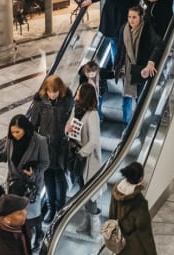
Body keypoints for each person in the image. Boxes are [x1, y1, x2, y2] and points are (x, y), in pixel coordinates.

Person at [0, 114, 48, 250]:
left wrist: (34, 172)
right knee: (18, 217)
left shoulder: (39, 141)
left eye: (17, 132)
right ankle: (24, 241)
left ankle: (38, 236)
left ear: (25, 130)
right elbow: (4, 155)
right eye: (12, 132)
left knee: (32, 216)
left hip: (31, 187)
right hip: (14, 186)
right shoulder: (11, 140)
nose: (14, 135)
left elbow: (45, 163)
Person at [25, 75, 74, 222]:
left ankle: (60, 210)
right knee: (47, 178)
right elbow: (34, 126)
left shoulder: (67, 102)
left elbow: (72, 120)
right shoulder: (39, 103)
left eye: (55, 92)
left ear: (60, 90)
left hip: (61, 146)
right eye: (50, 92)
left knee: (59, 177)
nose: (52, 95)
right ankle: (51, 208)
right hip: (45, 146)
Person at [114, 6, 162, 123]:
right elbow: (120, 50)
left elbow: (159, 45)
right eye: (129, 17)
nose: (131, 20)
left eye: (134, 17)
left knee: (142, 99)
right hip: (127, 69)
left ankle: (145, 123)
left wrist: (151, 62)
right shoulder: (123, 29)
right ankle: (127, 125)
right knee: (126, 98)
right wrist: (117, 66)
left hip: (141, 70)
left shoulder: (146, 29)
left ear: (141, 17)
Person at [66, 83, 102, 235]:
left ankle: (95, 224)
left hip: (87, 159)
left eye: (79, 91)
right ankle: (87, 221)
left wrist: (81, 154)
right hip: (76, 155)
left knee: (90, 193)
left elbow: (94, 141)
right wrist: (67, 130)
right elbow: (69, 126)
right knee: (82, 191)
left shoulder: (92, 115)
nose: (77, 93)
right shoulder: (76, 109)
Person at [109, 161, 157, 255]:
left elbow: (111, 215)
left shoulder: (116, 190)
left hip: (120, 244)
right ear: (141, 178)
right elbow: (145, 232)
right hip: (135, 248)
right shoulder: (140, 202)